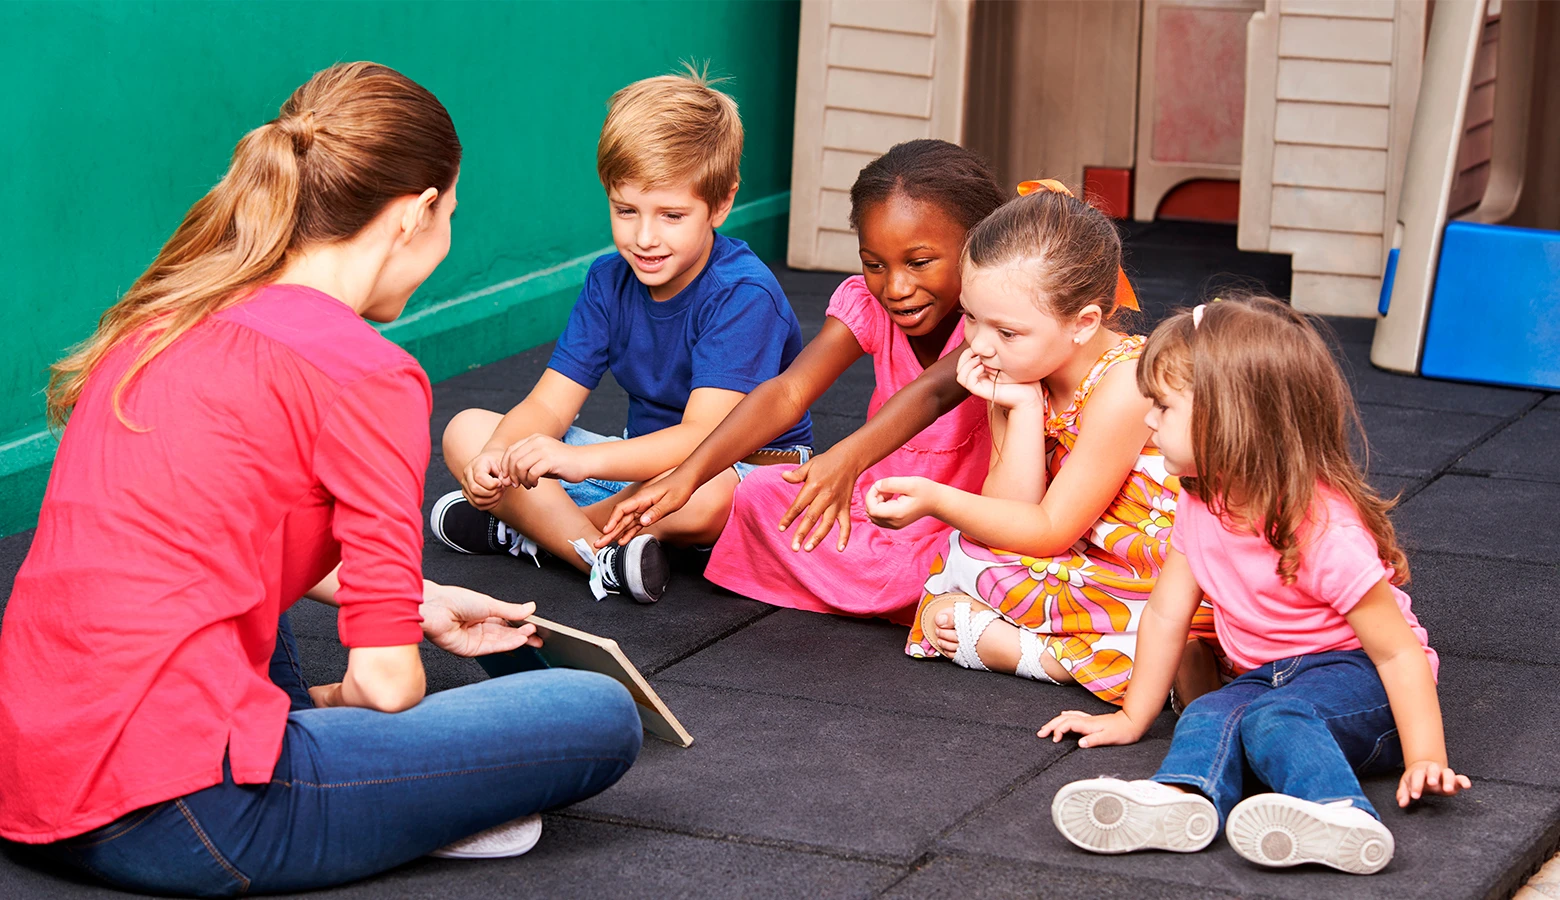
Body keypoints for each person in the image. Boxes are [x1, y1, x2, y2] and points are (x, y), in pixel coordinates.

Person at [0, 63, 641, 897]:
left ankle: (337, 765)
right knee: (594, 715)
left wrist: (418, 600)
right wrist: (367, 703)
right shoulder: (369, 373)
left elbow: (217, 536)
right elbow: (386, 684)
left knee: (230, 605)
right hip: (186, 820)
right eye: (450, 214)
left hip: (30, 782)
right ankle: (395, 805)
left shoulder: (167, 322)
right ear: (415, 215)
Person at [1039, 297, 1467, 875]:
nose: (1148, 420)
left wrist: (1425, 757)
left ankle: (1343, 815)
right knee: (1209, 713)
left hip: (1361, 680)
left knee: (1275, 720)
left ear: (1228, 419)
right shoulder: (1200, 498)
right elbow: (1167, 614)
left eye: (1163, 407)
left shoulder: (1324, 530)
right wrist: (1132, 719)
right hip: (1267, 677)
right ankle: (1185, 801)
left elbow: (1397, 652)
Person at [432, 67, 811, 604]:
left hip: (734, 472)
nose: (645, 238)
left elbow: (703, 440)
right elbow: (547, 406)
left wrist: (577, 465)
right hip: (633, 468)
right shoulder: (609, 280)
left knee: (707, 492)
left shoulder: (744, 293)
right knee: (466, 429)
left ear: (721, 205)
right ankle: (597, 553)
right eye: (625, 210)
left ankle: (541, 534)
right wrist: (496, 459)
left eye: (672, 215)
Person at [598, 139, 1004, 622]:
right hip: (880, 510)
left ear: (978, 245)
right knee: (759, 493)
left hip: (965, 519)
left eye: (918, 262)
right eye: (874, 264)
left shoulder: (997, 322)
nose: (895, 287)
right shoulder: (868, 303)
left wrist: (845, 459)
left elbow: (936, 391)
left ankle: (919, 584)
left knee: (988, 557)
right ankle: (909, 591)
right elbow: (789, 391)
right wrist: (688, 476)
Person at [862, 182, 1224, 704]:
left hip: (1161, 573)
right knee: (963, 566)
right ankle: (1117, 659)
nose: (980, 345)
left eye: (1007, 332)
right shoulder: (1013, 368)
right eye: (970, 318)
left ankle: (1053, 657)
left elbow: (1049, 532)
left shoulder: (1124, 383)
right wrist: (1023, 408)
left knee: (955, 586)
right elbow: (1011, 515)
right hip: (1081, 561)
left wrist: (934, 499)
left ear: (1083, 324)